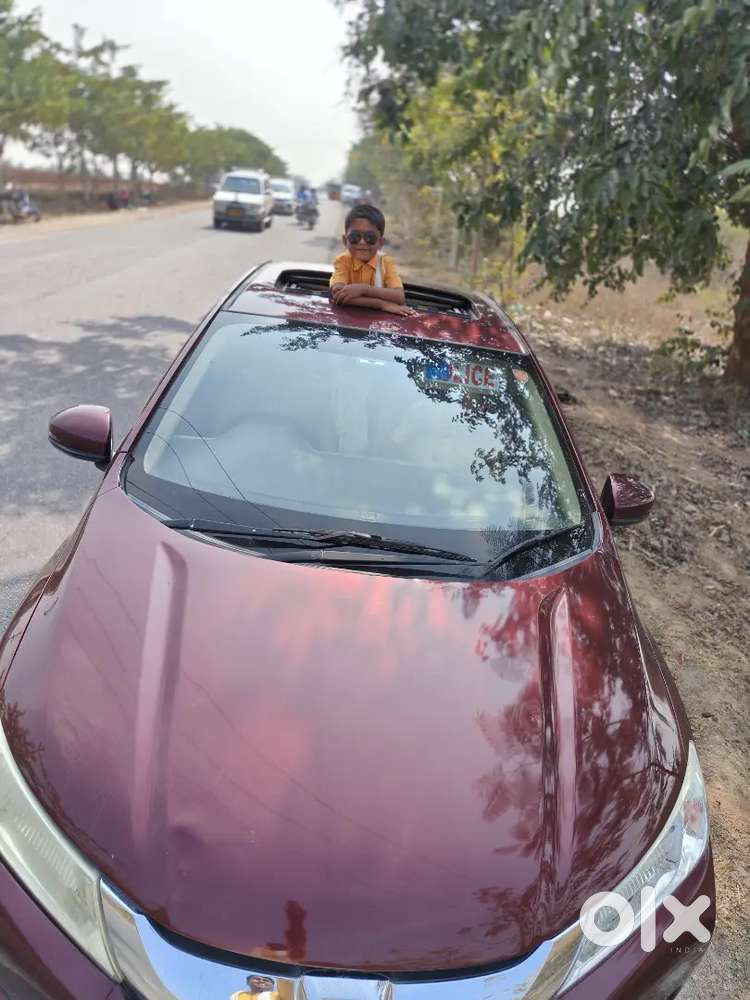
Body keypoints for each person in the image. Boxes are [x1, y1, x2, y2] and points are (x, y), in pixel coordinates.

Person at [330, 203, 413, 316]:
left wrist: (363, 289)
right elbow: (339, 295)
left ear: (380, 242)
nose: (362, 242)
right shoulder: (343, 261)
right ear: (345, 240)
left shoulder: (386, 262)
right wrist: (382, 305)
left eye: (370, 237)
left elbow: (399, 297)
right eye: (355, 236)